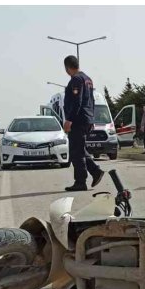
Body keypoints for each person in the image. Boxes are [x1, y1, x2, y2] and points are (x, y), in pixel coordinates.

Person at [61, 55, 105, 192]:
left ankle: (80, 182)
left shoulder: (76, 79)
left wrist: (69, 119)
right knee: (80, 149)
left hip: (78, 120)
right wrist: (91, 118)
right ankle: (96, 171)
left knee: (76, 152)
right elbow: (91, 101)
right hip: (86, 119)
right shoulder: (88, 79)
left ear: (67, 67)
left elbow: (77, 102)